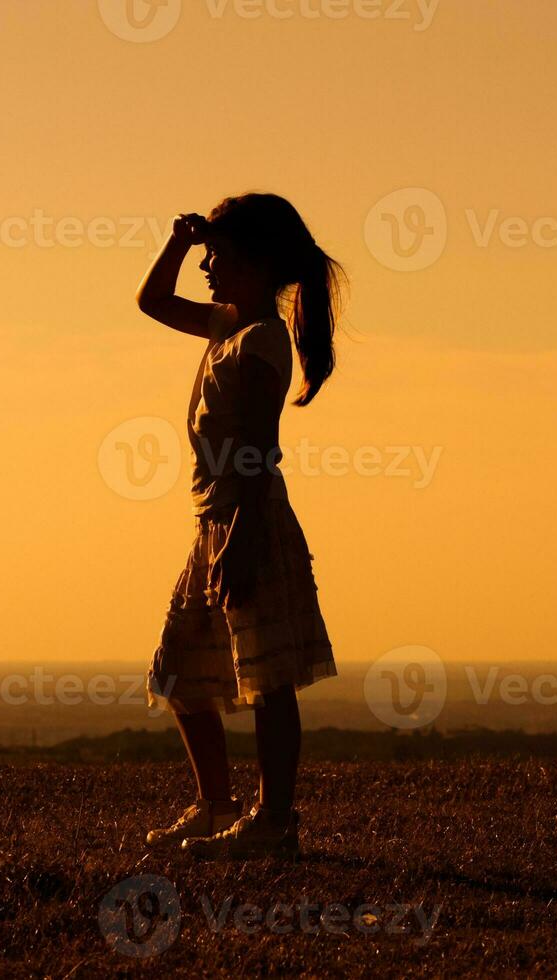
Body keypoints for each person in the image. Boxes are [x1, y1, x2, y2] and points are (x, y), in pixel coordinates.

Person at [134, 193, 343, 859]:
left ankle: (273, 820)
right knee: (179, 672)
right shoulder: (228, 324)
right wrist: (182, 240)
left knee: (267, 677)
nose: (207, 266)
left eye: (217, 255)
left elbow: (257, 448)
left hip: (245, 520)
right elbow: (152, 302)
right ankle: (215, 803)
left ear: (254, 262)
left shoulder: (258, 342)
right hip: (214, 522)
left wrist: (243, 537)